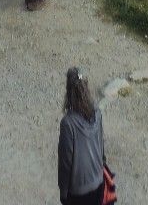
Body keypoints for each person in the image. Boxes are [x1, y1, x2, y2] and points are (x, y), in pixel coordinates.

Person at [58, 68, 106, 205]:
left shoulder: (68, 124)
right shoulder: (97, 113)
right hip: (98, 182)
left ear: (69, 92)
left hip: (79, 192)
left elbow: (65, 162)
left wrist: (63, 192)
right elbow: (101, 144)